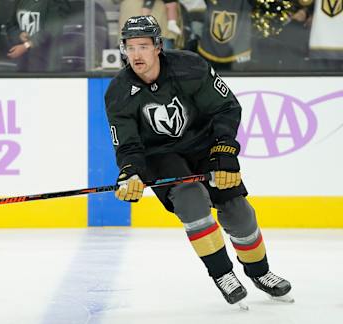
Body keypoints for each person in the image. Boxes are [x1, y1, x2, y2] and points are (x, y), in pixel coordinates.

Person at [105, 15, 293, 307]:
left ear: (157, 46)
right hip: (160, 156)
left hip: (205, 146)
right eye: (130, 47)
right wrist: (130, 173)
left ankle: (260, 272)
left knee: (238, 211)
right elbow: (128, 145)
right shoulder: (118, 92)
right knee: (191, 198)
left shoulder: (189, 67)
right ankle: (222, 274)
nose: (136, 54)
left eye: (143, 46)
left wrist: (225, 150)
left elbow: (226, 108)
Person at [4, 0, 71, 72]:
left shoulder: (54, 2)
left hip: (47, 63)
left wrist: (27, 45)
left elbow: (52, 28)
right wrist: (19, 34)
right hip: (23, 63)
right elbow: (11, 25)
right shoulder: (18, 2)